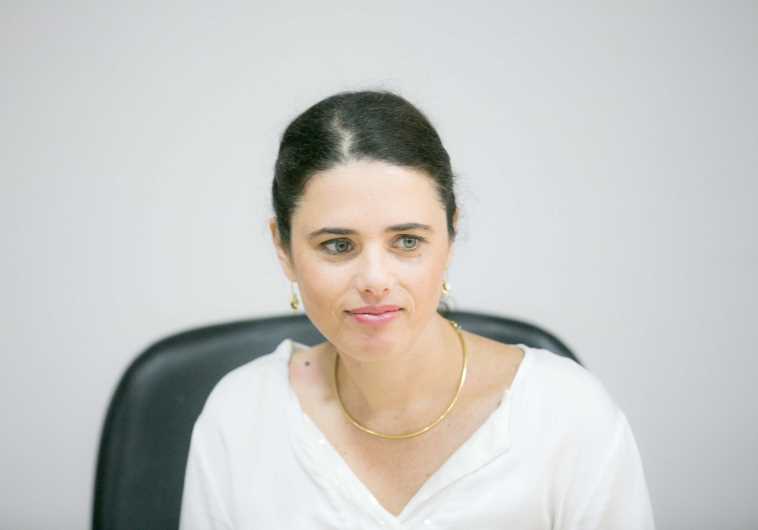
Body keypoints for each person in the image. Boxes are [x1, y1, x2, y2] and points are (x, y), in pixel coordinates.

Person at [179, 90, 656, 529]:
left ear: (450, 237)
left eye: (407, 241)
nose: (375, 280)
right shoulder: (240, 417)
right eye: (338, 245)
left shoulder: (568, 416)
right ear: (283, 249)